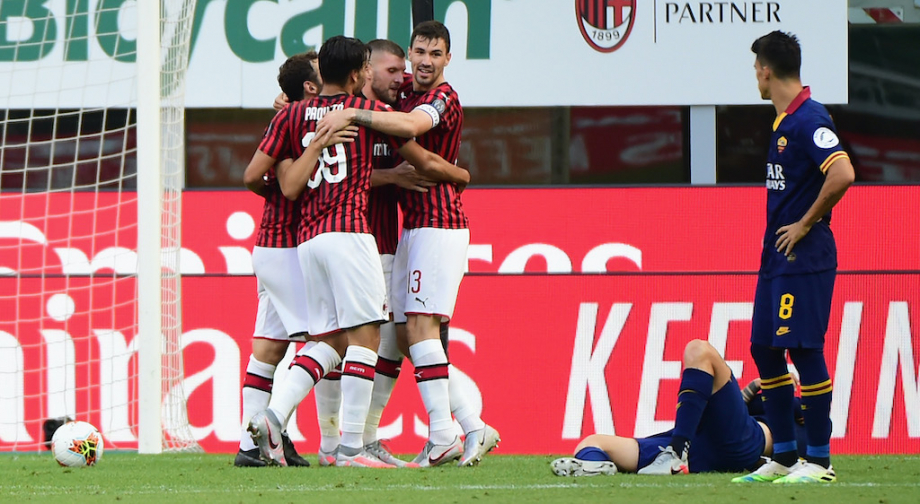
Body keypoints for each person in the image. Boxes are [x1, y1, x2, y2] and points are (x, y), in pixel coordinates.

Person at [248, 35, 471, 469]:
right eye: (368, 67)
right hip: (350, 234)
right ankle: (351, 447)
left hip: (306, 239)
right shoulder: (367, 115)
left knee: (329, 340)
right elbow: (414, 140)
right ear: (356, 74)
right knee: (367, 338)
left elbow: (273, 181)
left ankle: (273, 418)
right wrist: (461, 173)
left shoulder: (291, 114)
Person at [318, 20, 500, 468]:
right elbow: (409, 140)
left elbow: (414, 130)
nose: (423, 62)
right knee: (403, 337)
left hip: (439, 224)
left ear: (448, 59)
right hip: (412, 230)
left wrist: (353, 114)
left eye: (435, 54)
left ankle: (446, 433)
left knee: (418, 330)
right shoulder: (402, 99)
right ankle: (466, 426)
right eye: (419, 52)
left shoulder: (442, 98)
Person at [734, 31, 854, 484]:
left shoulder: (809, 119)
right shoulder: (784, 121)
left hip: (804, 257)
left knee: (804, 349)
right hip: (776, 257)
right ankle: (784, 456)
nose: (755, 77)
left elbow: (843, 172)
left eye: (756, 69)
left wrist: (805, 223)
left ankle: (819, 461)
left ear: (766, 70)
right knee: (764, 348)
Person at [235, 52, 323, 468]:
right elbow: (254, 176)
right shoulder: (292, 120)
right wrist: (277, 190)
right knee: (327, 340)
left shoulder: (295, 116)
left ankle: (251, 446)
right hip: (286, 245)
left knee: (269, 349)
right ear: (309, 85)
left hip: (274, 245)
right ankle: (274, 425)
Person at [551, 340, 807, 476]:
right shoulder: (759, 406)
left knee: (699, 350)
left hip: (743, 443)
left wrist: (778, 391)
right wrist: (753, 387)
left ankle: (676, 453)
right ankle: (595, 468)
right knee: (593, 442)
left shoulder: (800, 418)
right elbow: (731, 411)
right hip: (700, 445)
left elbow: (801, 421)